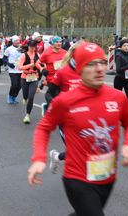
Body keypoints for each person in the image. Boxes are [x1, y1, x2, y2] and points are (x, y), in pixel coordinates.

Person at [28, 41, 128, 216]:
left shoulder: (117, 98)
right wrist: (38, 159)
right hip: (77, 179)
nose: (99, 69)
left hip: (107, 177)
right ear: (79, 68)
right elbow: (43, 128)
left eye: (102, 62)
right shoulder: (64, 101)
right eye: (91, 64)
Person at [46, 42, 82, 174]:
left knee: (85, 149)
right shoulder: (63, 73)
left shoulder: (88, 73)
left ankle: (56, 157)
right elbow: (48, 94)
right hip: (66, 119)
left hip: (85, 118)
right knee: (75, 151)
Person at [18, 40, 42, 124]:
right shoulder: (23, 55)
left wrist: (42, 68)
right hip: (25, 77)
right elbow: (19, 67)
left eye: (34, 47)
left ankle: (27, 115)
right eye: (31, 46)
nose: (32, 48)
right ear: (28, 46)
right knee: (25, 95)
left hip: (34, 77)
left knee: (31, 97)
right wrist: (29, 65)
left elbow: (38, 64)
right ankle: (24, 98)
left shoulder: (37, 55)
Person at [113, 39, 128, 110]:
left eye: (127, 45)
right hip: (119, 79)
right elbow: (118, 69)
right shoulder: (118, 55)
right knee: (117, 99)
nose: (126, 47)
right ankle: (117, 113)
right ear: (121, 47)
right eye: (124, 45)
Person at [3, 35, 22, 104]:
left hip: (21, 69)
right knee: (14, 85)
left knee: (20, 85)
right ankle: (10, 96)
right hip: (12, 70)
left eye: (18, 40)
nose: (18, 42)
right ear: (13, 42)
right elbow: (4, 58)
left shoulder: (22, 48)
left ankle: (14, 97)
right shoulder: (9, 49)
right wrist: (8, 64)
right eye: (16, 41)